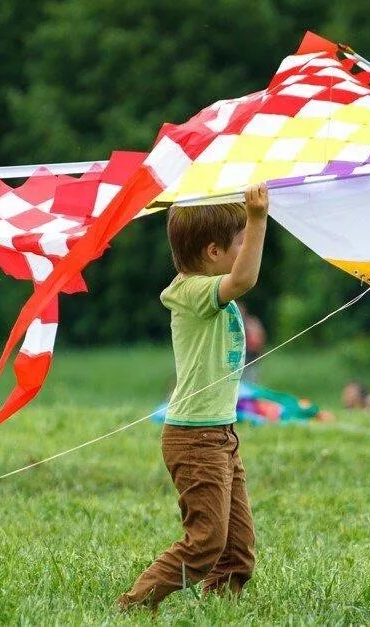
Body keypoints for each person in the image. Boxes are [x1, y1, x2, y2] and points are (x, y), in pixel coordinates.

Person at [119, 182, 269, 612]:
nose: (246, 248)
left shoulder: (205, 285)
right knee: (205, 544)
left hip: (220, 435)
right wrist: (257, 217)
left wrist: (249, 220)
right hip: (194, 439)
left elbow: (240, 272)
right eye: (239, 242)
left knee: (237, 548)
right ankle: (133, 604)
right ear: (212, 252)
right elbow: (245, 278)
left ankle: (221, 610)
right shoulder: (193, 291)